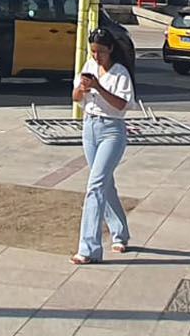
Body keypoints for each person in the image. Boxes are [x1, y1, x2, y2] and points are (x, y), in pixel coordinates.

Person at [71, 27, 133, 264]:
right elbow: (75, 97)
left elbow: (121, 105)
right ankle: (120, 231)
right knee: (105, 184)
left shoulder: (120, 73)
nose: (97, 56)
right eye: (94, 51)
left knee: (94, 186)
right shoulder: (88, 66)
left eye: (101, 52)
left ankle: (89, 249)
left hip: (112, 130)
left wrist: (98, 87)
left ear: (111, 50)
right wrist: (81, 89)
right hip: (90, 127)